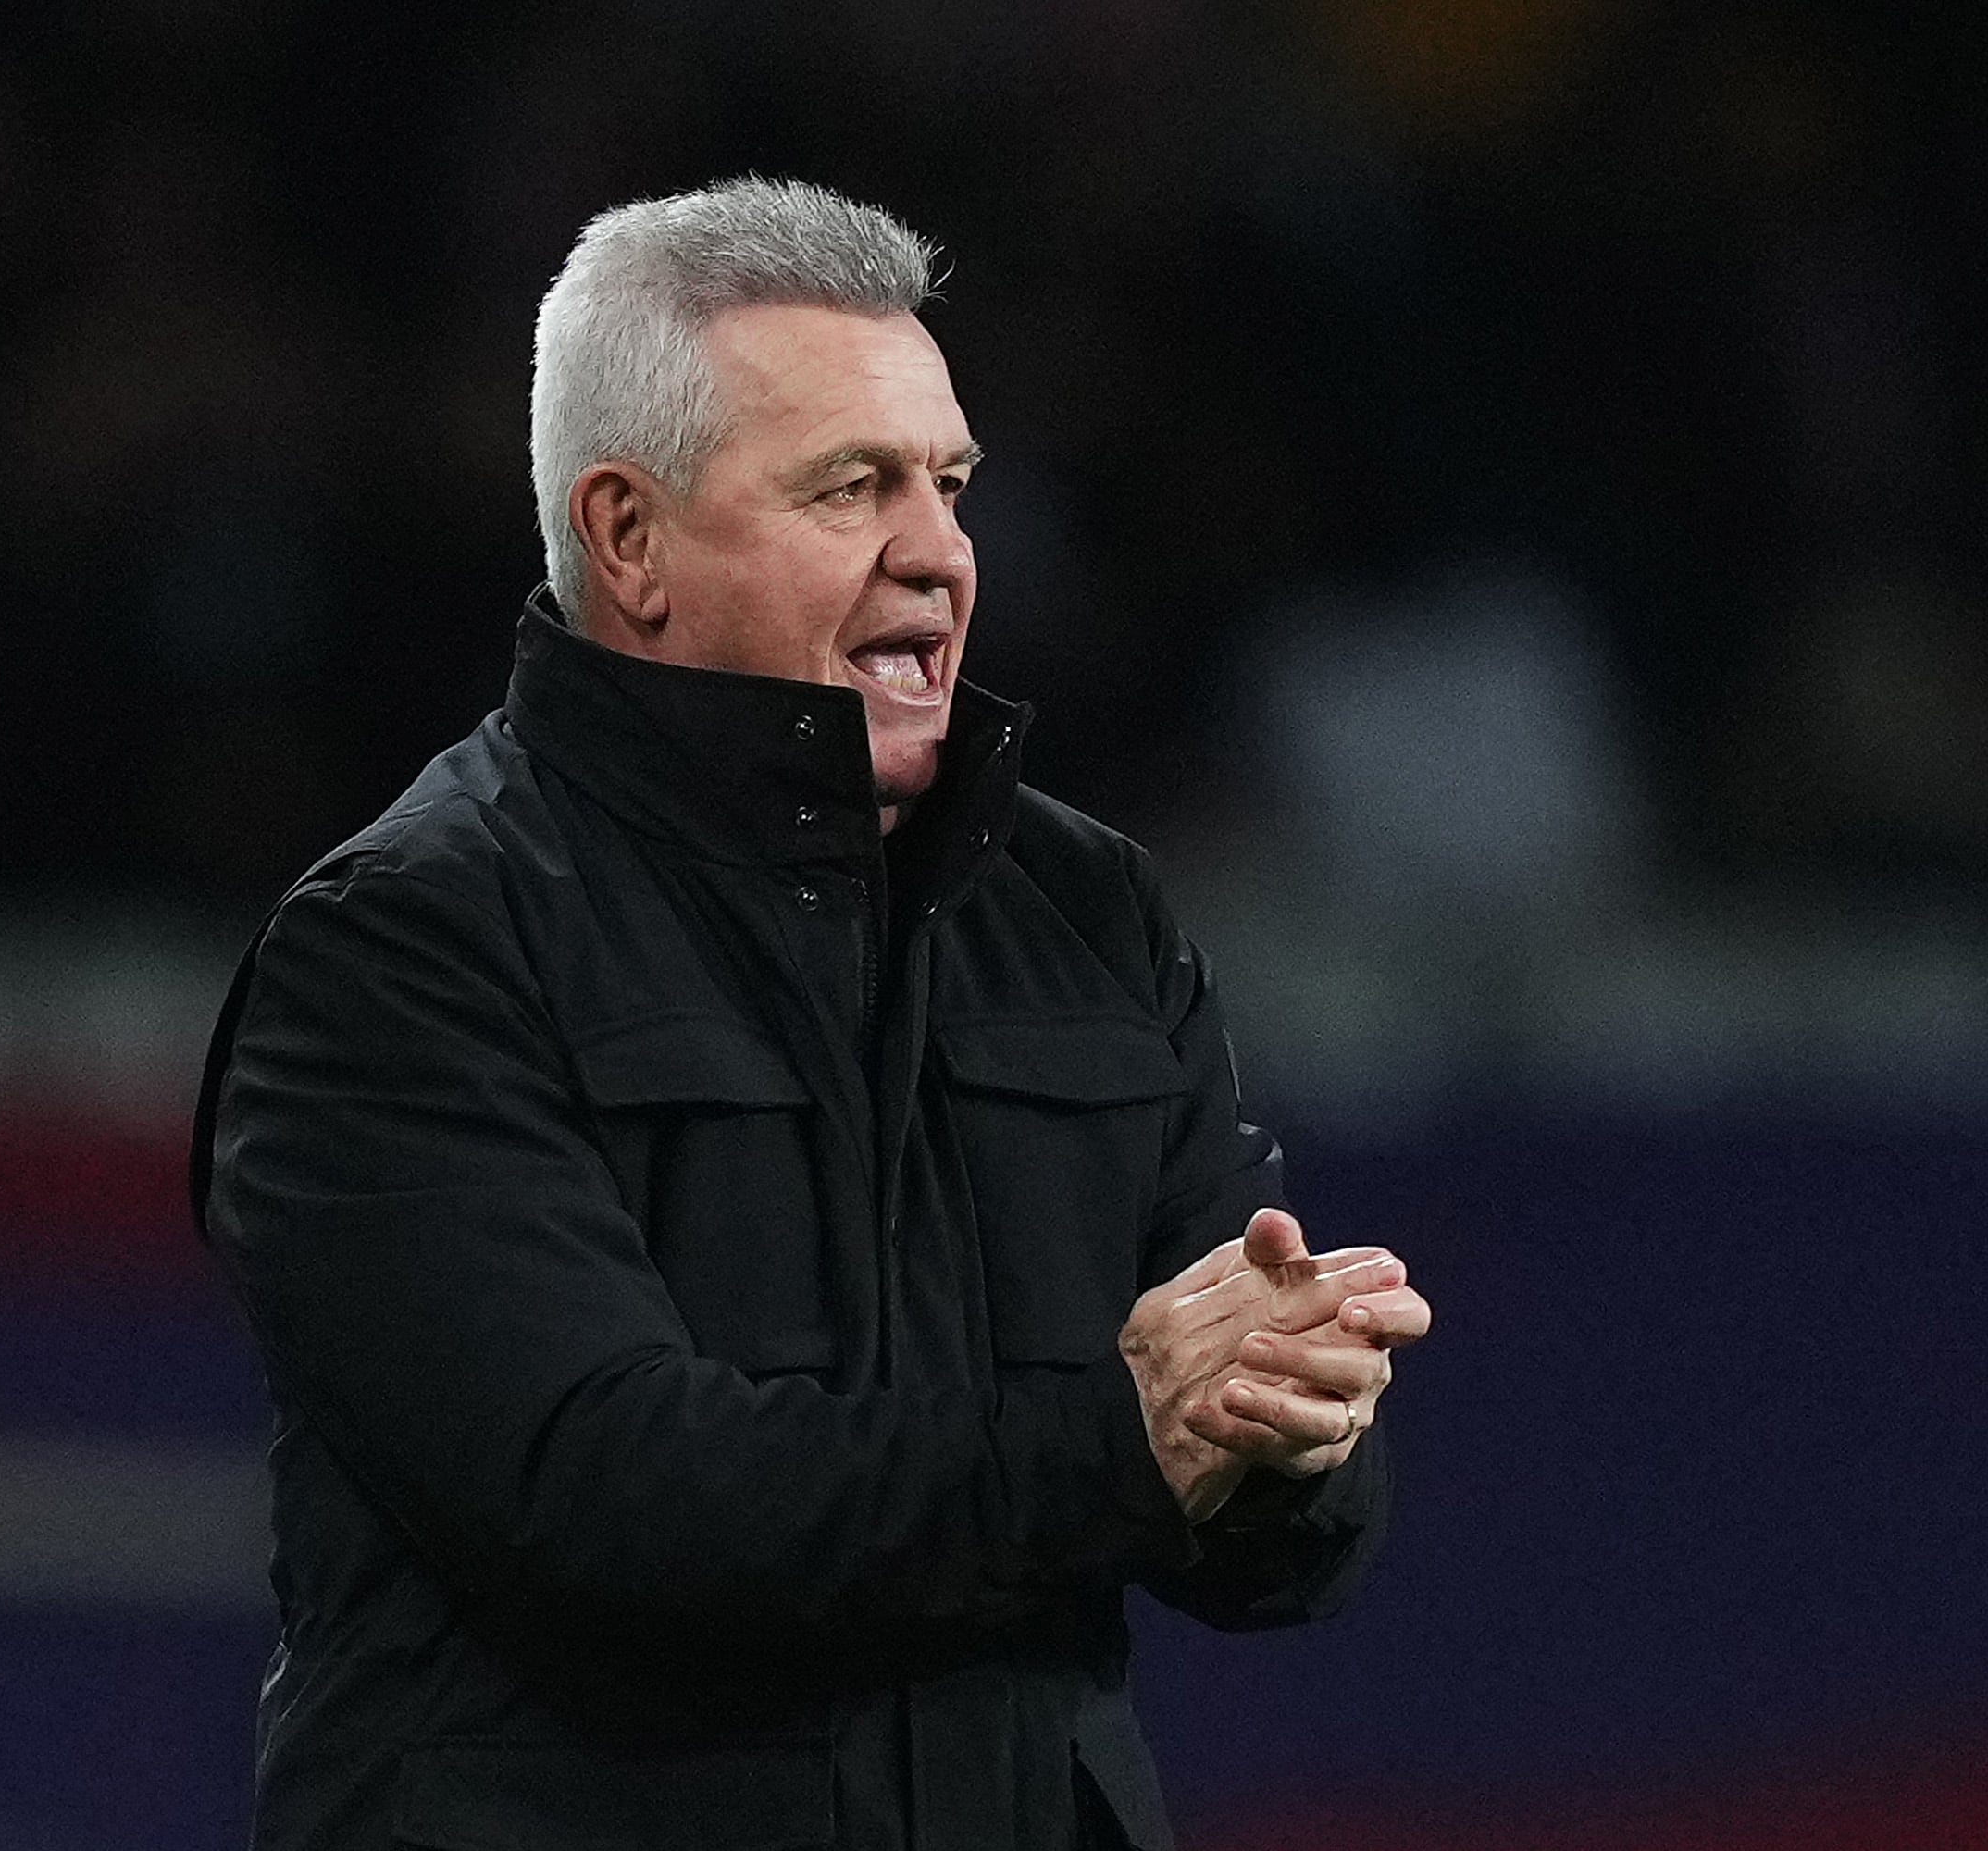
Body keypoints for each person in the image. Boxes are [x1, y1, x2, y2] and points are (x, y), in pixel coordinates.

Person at [191, 178, 1432, 1851]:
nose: (936, 550)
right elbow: (606, 1502)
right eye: (852, 488)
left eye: (951, 483)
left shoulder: (1080, 915)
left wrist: (1284, 1423)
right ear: (629, 539)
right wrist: (1119, 1444)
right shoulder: (408, 951)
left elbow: (1288, 1548)